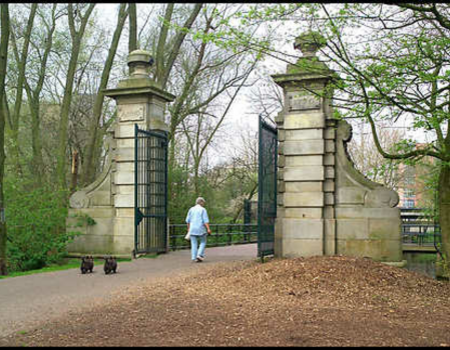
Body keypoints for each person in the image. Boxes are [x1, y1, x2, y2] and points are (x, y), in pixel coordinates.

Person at [186, 197, 212, 263]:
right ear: (201, 202)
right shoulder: (203, 210)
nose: (203, 204)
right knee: (203, 242)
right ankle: (199, 255)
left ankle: (193, 257)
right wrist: (208, 229)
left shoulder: (191, 209)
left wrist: (188, 229)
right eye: (203, 203)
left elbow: (188, 221)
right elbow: (205, 220)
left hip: (192, 228)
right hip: (200, 228)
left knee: (193, 243)